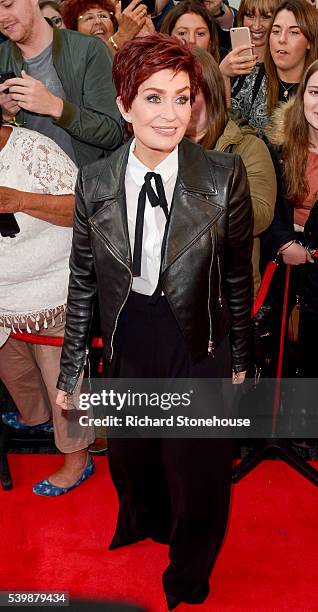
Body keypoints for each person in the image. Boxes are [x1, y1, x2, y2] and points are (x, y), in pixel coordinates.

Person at [56, 33, 253, 609]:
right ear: (123, 104)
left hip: (199, 336)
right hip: (129, 333)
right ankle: (153, 523)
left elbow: (237, 276)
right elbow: (84, 280)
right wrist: (73, 372)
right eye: (153, 98)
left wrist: (242, 359)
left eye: (182, 97)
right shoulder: (94, 182)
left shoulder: (224, 175)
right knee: (135, 451)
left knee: (200, 469)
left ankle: (190, 572)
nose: (171, 115)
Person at [0, 111, 95, 495]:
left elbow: (84, 207)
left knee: (64, 384)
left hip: (52, 290)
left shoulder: (32, 149)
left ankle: (77, 458)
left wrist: (21, 200)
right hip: (4, 297)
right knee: (15, 370)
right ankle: (36, 418)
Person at [186, 48, 276, 296]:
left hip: (227, 294)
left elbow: (260, 216)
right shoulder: (158, 146)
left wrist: (193, 188)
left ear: (213, 95)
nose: (181, 105)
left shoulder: (246, 147)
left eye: (189, 95)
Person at [0, 0, 122, 167]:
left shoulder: (88, 50)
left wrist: (55, 106)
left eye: (7, 5)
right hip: (23, 186)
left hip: (85, 184)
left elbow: (113, 134)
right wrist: (5, 115)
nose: (2, 17)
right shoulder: (2, 58)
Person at [262, 59, 318, 378]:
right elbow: (263, 208)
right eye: (314, 92)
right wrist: (284, 243)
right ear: (302, 96)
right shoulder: (277, 147)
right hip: (281, 270)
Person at [230, 0, 318, 136]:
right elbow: (229, 127)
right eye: (276, 31)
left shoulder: (314, 86)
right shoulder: (252, 76)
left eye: (293, 32)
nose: (282, 39)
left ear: (309, 42)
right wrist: (222, 75)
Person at [62, 0, 154, 55]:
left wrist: (151, 41)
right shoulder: (71, 61)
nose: (98, 22)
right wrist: (122, 36)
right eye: (89, 18)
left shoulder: (129, 53)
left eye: (103, 16)